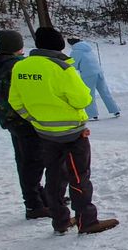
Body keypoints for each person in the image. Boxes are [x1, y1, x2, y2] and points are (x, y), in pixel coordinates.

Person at [9, 28, 120, 236]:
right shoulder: (61, 68)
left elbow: (15, 101)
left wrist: (34, 119)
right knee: (79, 177)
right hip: (72, 133)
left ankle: (59, 220)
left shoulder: (20, 67)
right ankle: (86, 220)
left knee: (54, 176)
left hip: (44, 132)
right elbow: (83, 100)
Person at [0, 31, 50, 220]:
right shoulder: (16, 66)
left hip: (11, 118)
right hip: (24, 119)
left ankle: (38, 195)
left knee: (25, 159)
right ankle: (33, 203)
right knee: (33, 161)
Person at [66, 37, 120, 120]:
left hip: (88, 75)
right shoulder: (88, 48)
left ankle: (92, 115)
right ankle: (115, 110)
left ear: (71, 44)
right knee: (105, 92)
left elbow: (73, 65)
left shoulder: (76, 52)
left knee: (89, 94)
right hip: (99, 72)